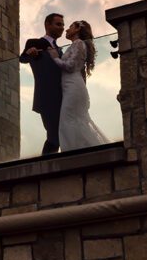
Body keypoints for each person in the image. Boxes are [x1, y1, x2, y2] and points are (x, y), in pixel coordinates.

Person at [47, 19, 109, 151]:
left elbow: (70, 66)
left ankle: (75, 151)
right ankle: (79, 150)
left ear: (77, 30)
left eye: (70, 27)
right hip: (71, 87)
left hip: (73, 88)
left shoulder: (78, 43)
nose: (67, 29)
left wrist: (54, 57)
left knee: (68, 121)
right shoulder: (75, 45)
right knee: (71, 121)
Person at [20, 13, 65, 155]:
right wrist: (30, 52)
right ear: (47, 24)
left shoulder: (60, 50)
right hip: (46, 97)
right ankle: (46, 165)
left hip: (62, 97)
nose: (62, 28)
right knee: (54, 135)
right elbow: (23, 58)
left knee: (61, 133)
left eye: (63, 25)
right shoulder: (35, 42)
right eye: (58, 24)